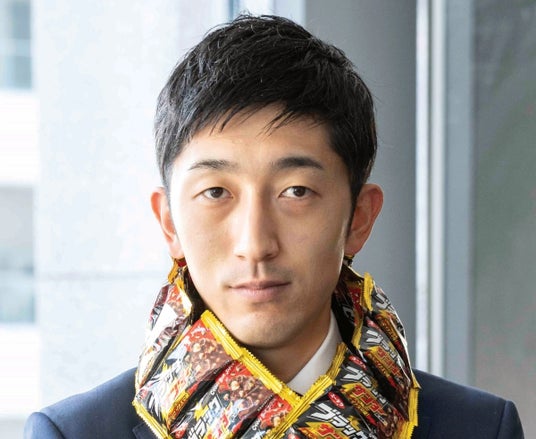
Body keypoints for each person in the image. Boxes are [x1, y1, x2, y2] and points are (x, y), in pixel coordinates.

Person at [24, 14, 524, 439]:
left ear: (359, 217)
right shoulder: (74, 433)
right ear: (169, 221)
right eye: (215, 192)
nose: (255, 243)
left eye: (296, 192)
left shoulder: (480, 428)